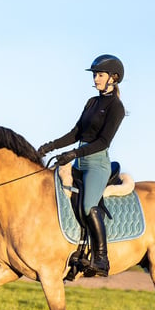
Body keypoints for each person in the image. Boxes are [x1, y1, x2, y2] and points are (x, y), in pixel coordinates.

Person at [37, 54, 126, 277]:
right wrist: (50, 146)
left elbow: (103, 141)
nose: (96, 78)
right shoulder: (92, 102)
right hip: (79, 160)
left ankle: (102, 259)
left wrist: (74, 152)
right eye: (95, 74)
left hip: (97, 164)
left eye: (100, 74)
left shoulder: (116, 107)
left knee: (88, 206)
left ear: (113, 78)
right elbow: (76, 133)